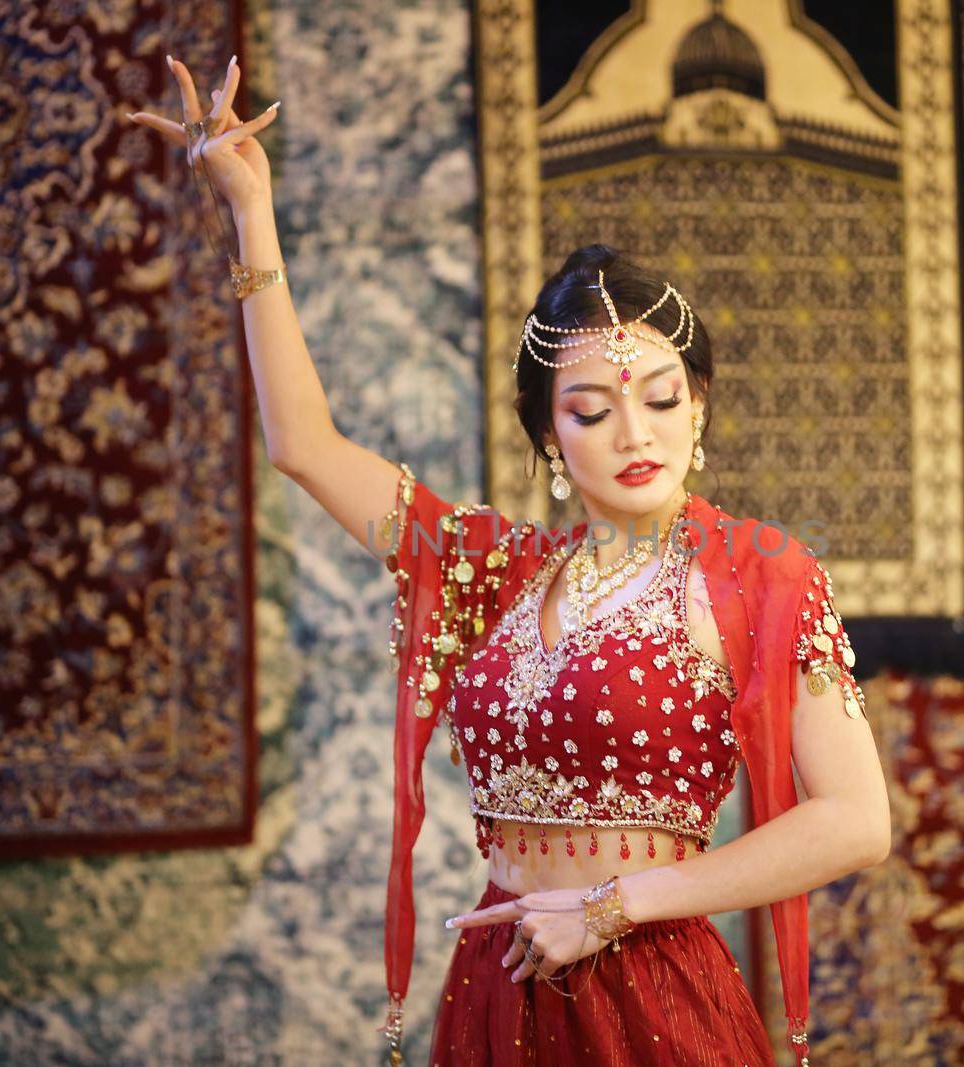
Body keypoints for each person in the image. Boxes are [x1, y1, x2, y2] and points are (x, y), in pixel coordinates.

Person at [127, 57, 890, 1067]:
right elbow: (301, 446)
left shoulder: (753, 573)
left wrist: (617, 904)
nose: (634, 430)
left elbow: (854, 821)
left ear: (698, 405)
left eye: (662, 397)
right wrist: (250, 211)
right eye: (591, 408)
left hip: (651, 985)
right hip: (505, 982)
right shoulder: (493, 568)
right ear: (547, 434)